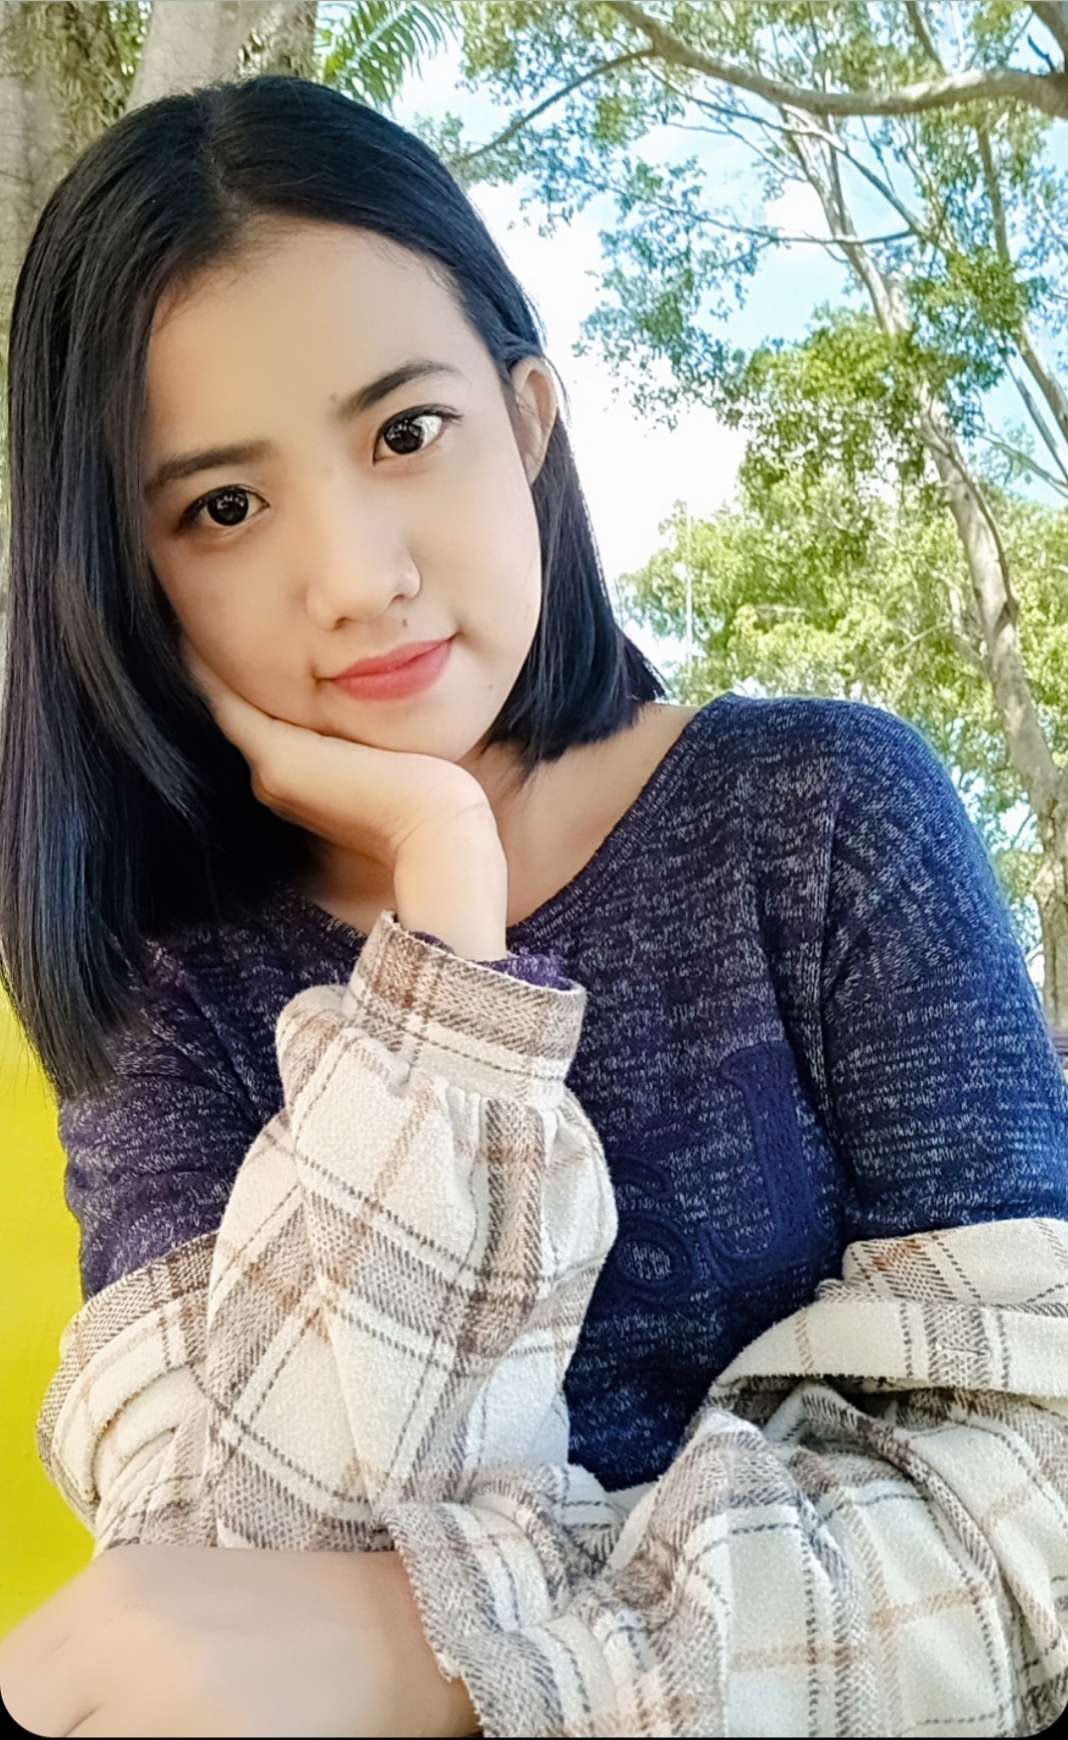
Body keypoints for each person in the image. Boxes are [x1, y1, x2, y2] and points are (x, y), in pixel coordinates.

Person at [0, 72, 1066, 1740]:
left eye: (404, 432)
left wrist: (448, 1658)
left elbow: (1033, 1525)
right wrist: (443, 935)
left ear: (531, 421)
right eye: (224, 508)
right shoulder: (166, 984)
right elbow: (228, 1572)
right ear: (130, 578)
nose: (358, 578)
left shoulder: (820, 817)